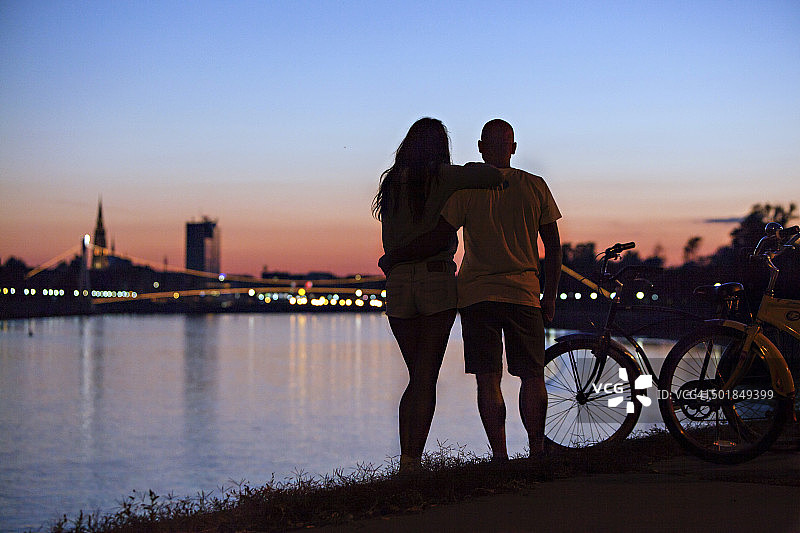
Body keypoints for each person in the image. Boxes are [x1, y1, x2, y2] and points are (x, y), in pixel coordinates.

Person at [380, 119, 562, 462]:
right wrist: (549, 295)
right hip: (507, 290)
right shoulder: (467, 181)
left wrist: (393, 259)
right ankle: (536, 451)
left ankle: (488, 458)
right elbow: (551, 244)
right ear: (514, 147)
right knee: (531, 374)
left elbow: (434, 231)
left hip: (450, 292)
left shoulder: (399, 184)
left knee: (444, 378)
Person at [373, 117, 504, 474]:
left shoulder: (392, 182)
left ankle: (407, 461)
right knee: (425, 377)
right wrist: (472, 165)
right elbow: (495, 177)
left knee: (416, 376)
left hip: (398, 284)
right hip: (435, 281)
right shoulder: (445, 176)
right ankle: (412, 464)